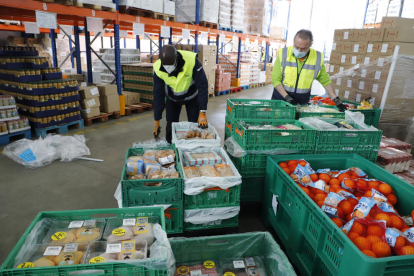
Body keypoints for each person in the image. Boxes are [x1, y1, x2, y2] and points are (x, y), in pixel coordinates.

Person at [271, 29, 346, 111]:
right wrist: (287, 97)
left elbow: (325, 81)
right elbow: (275, 79)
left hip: (302, 101)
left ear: (310, 45)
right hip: (281, 98)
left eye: (303, 49)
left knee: (295, 123)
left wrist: (336, 99)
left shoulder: (317, 58)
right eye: (296, 47)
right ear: (293, 42)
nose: (299, 50)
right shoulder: (283, 53)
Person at [152, 45, 209, 143]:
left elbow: (203, 86)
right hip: (172, 98)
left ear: (176, 59)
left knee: (194, 126)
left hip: (192, 97)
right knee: (170, 125)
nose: (168, 68)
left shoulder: (192, 61)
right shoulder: (157, 68)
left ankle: (193, 148)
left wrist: (202, 111)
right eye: (165, 65)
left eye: (170, 65)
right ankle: (171, 148)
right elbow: (158, 95)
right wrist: (157, 121)